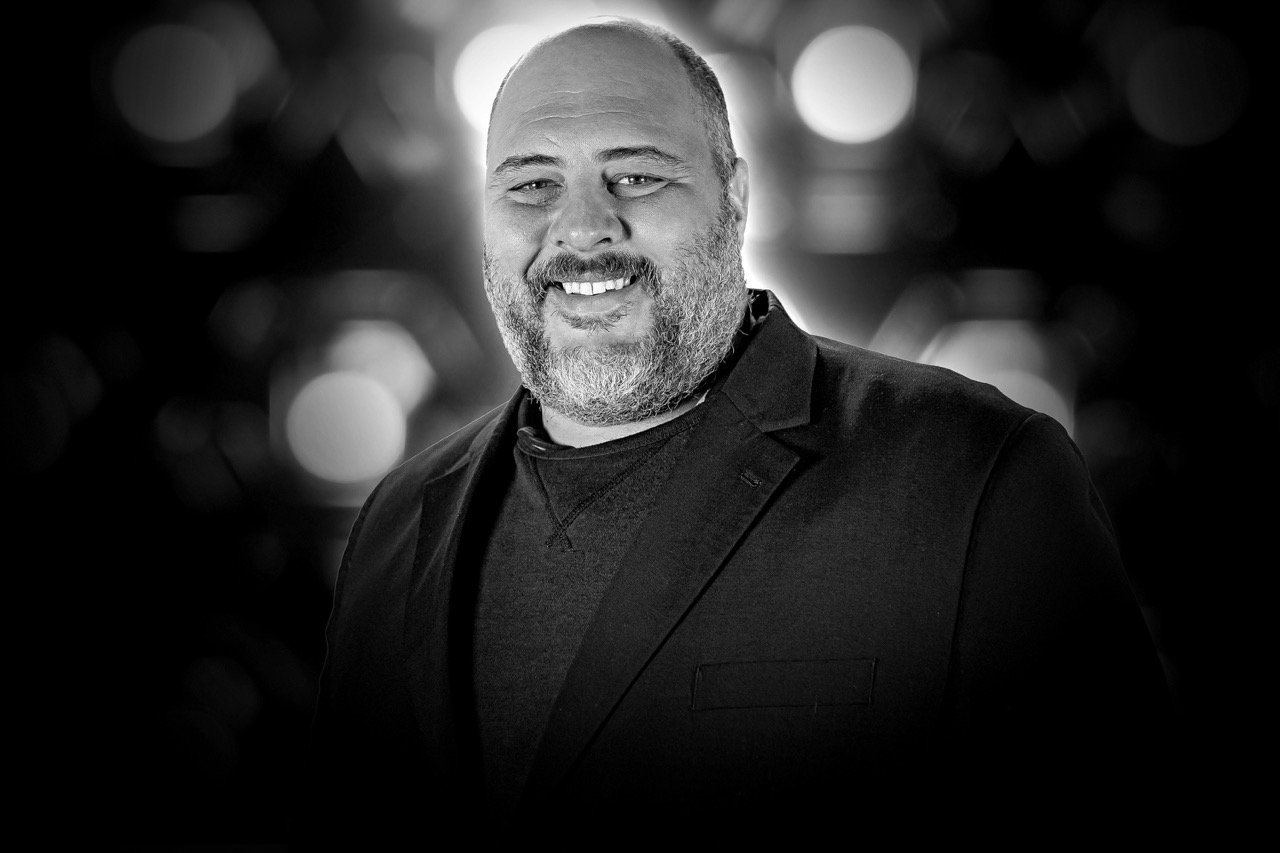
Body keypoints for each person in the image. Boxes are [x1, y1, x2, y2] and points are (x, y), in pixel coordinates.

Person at [303, 17, 1172, 842]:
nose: (581, 229)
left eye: (636, 174)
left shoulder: (978, 479)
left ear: (736, 197)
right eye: (531, 183)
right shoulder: (395, 522)